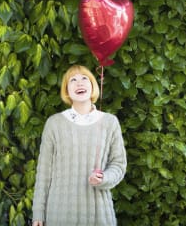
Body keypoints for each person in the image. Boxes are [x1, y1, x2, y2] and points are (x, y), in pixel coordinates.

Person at [31, 65, 127, 226]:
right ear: (67, 91)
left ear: (93, 85)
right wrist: (38, 213)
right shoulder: (54, 124)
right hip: (60, 214)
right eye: (72, 80)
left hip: (99, 215)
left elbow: (118, 164)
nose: (79, 83)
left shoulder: (109, 122)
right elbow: (43, 173)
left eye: (84, 78)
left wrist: (104, 178)